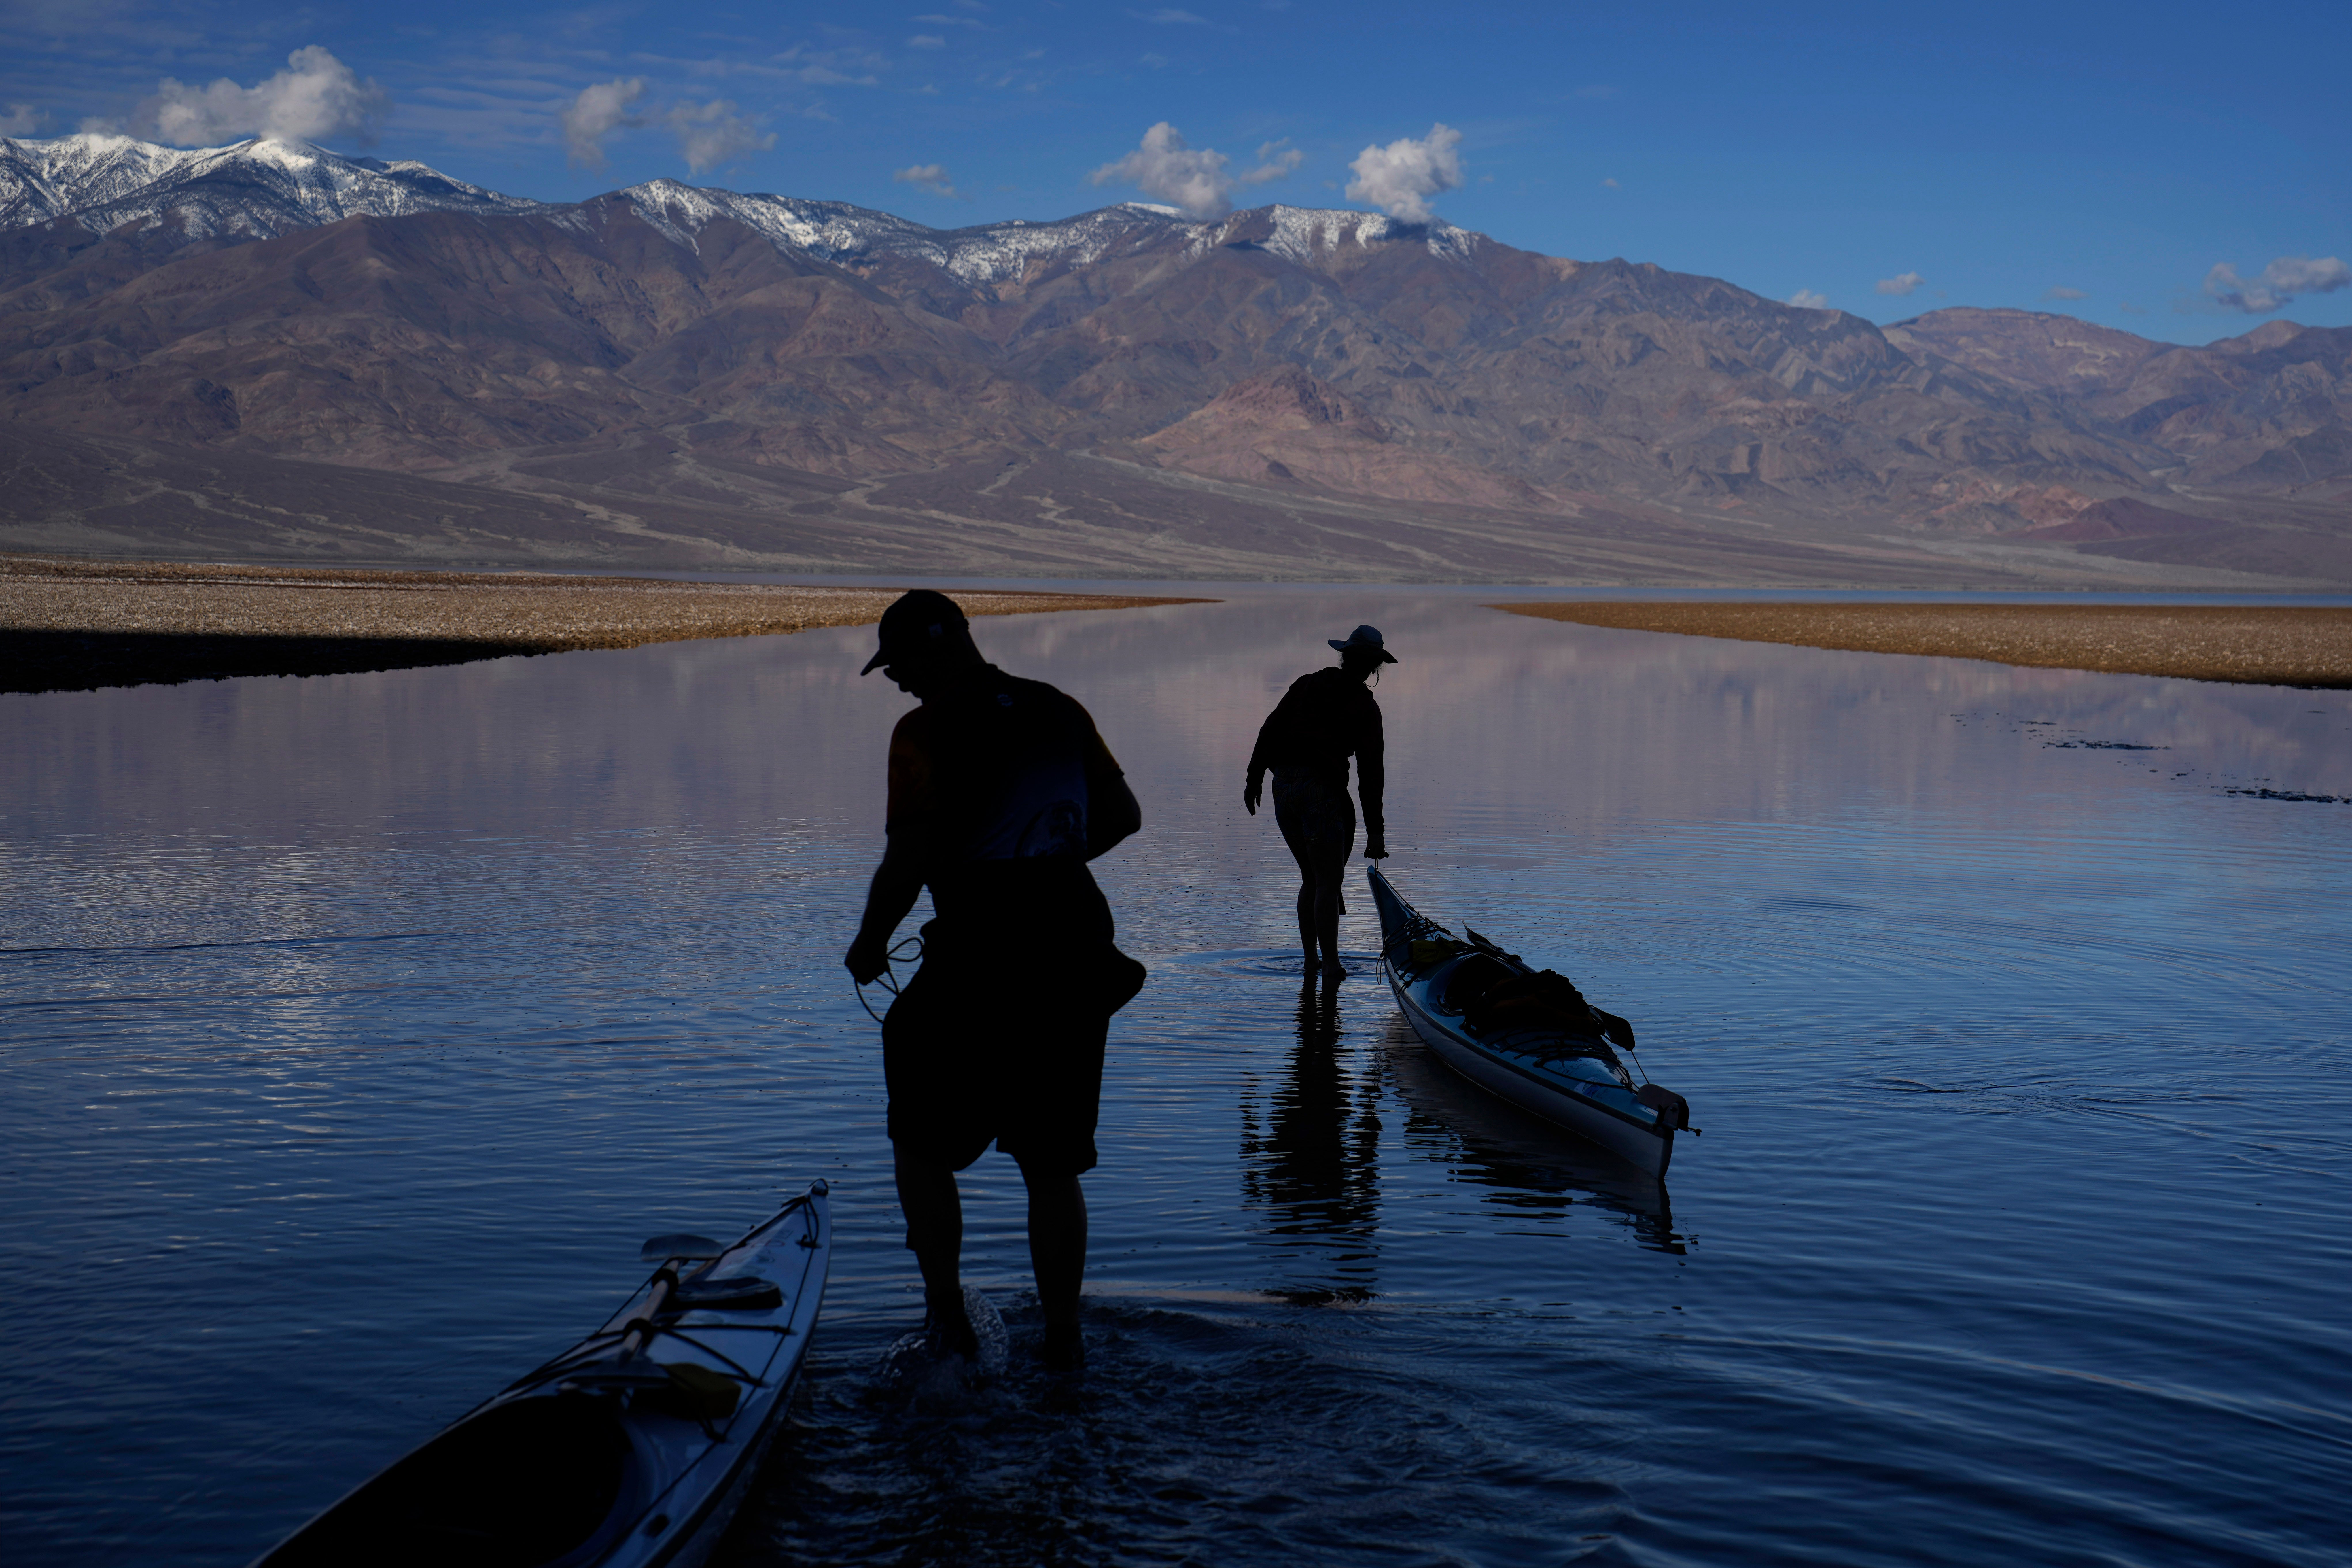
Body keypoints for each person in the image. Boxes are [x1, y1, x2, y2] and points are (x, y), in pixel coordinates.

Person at [844, 590, 1143, 1370]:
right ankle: (1064, 1342)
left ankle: (947, 1317)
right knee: (1051, 1162)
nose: (895, 679)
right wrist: (1044, 853)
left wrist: (870, 942)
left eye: (898, 663)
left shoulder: (923, 731)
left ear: (934, 647)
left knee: (917, 1130)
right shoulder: (1059, 709)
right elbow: (1122, 814)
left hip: (981, 945)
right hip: (1075, 943)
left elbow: (908, 860)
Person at [1244, 625, 1392, 980]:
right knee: (1327, 881)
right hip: (1321, 792)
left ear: (1344, 657)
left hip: (1283, 786)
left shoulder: (1306, 684)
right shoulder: (1364, 707)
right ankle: (1332, 966)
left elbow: (1269, 730)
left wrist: (1254, 779)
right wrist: (1375, 831)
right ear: (1374, 668)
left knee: (1310, 878)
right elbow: (1370, 773)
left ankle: (1311, 961)